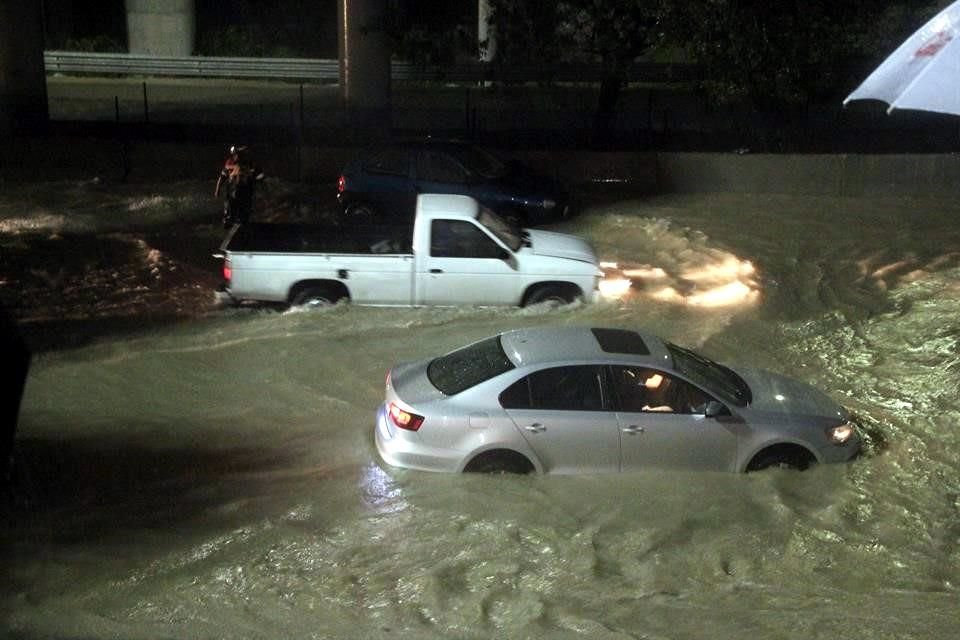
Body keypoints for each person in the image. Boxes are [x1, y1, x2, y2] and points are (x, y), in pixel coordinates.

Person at [215, 145, 264, 228]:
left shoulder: (251, 165)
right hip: (232, 192)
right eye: (237, 155)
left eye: (241, 155)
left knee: (244, 213)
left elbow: (260, 176)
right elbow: (222, 177)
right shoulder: (230, 164)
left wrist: (258, 184)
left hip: (245, 192)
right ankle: (229, 222)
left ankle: (242, 224)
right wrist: (217, 190)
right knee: (229, 212)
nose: (238, 157)